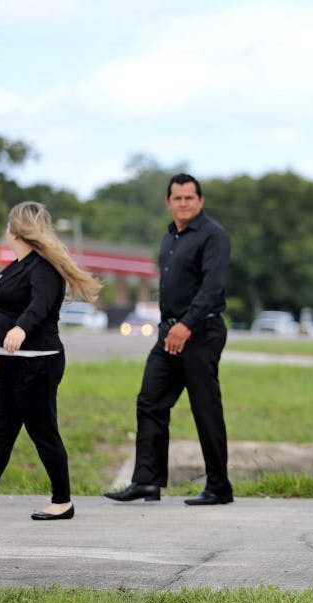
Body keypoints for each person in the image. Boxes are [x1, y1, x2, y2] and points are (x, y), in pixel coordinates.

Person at [0, 202, 102, 521]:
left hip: (37, 363)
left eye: (8, 226)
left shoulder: (43, 267)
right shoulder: (18, 265)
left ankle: (62, 501)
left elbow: (40, 305)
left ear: (16, 230)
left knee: (43, 431)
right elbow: (2, 309)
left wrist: (20, 329)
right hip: (8, 363)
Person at [104, 173, 233, 505]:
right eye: (177, 198)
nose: (184, 203)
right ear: (168, 202)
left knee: (205, 408)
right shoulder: (170, 237)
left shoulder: (213, 236)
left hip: (201, 330)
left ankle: (219, 487)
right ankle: (146, 482)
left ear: (200, 201)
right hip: (169, 332)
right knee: (150, 401)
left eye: (190, 198)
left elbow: (212, 287)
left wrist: (187, 324)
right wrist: (172, 327)